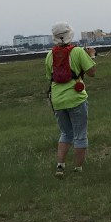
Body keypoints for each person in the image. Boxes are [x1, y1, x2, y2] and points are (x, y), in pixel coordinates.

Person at [45, 22, 97, 177]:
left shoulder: (49, 56)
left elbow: (50, 77)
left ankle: (60, 166)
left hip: (57, 100)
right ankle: (78, 169)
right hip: (76, 98)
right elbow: (92, 72)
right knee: (80, 134)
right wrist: (92, 55)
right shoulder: (78, 52)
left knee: (66, 133)